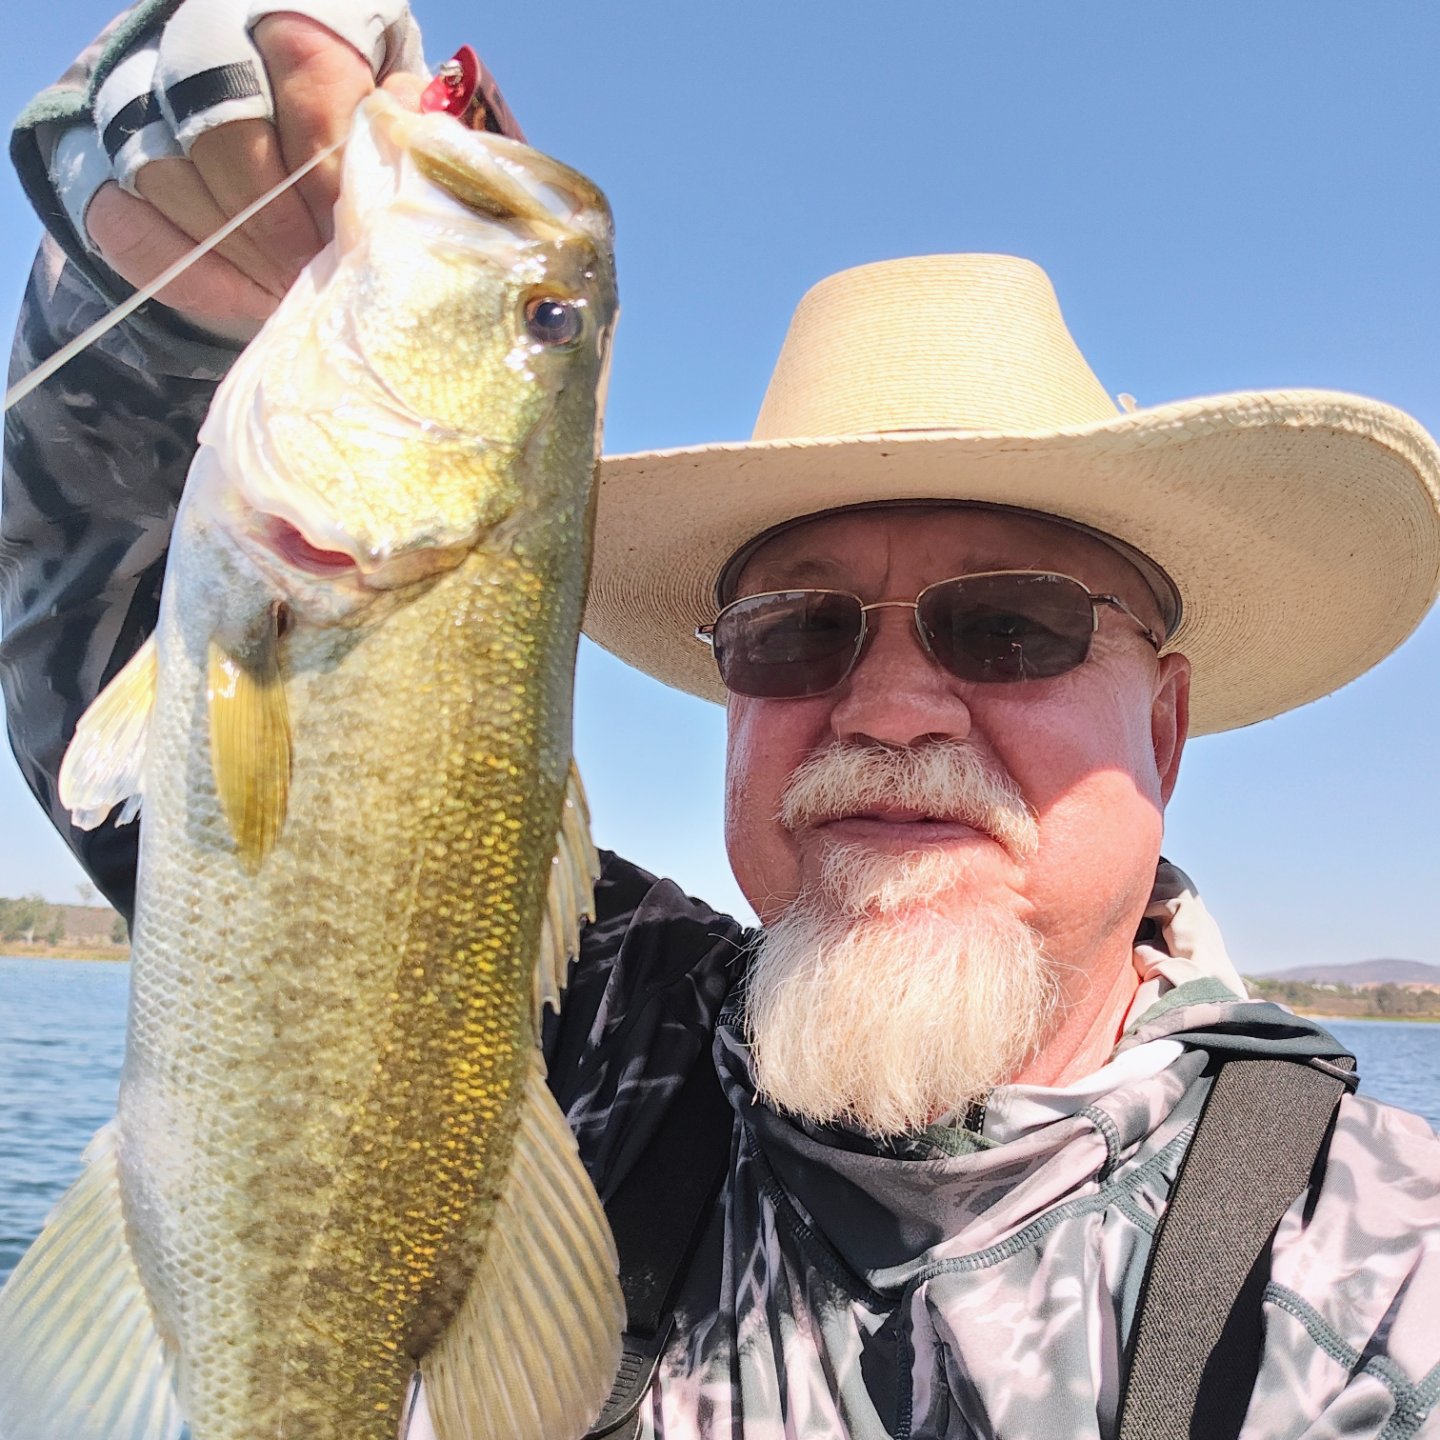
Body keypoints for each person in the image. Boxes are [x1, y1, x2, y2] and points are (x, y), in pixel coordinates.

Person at [4, 6, 1440, 1438]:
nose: (887, 707)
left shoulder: (1386, 1286)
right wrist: (150, 286)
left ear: (1167, 731)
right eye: (797, 630)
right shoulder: (581, 1027)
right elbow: (113, 664)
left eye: (1011, 625)